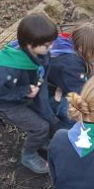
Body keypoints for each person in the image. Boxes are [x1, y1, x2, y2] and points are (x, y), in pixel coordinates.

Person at [0, 13, 59, 173]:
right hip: (8, 104)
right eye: (47, 45)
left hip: (28, 94)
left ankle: (40, 141)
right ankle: (28, 154)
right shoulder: (8, 68)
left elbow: (42, 73)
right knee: (40, 127)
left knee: (49, 117)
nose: (51, 48)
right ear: (29, 44)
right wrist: (23, 91)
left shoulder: (40, 53)